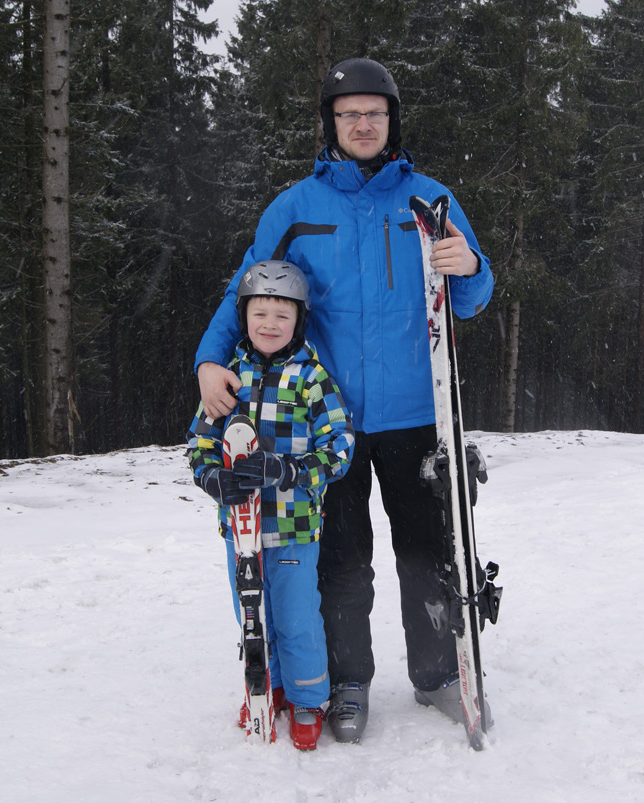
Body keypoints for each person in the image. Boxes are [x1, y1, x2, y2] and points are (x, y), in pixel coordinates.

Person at [193, 57, 494, 743]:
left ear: (392, 121)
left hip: (418, 414)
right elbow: (248, 289)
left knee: (427, 554)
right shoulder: (296, 209)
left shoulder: (430, 201)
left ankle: (438, 675)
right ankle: (347, 680)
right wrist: (210, 360)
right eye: (349, 114)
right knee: (341, 559)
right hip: (325, 422)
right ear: (330, 123)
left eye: (374, 113)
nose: (362, 124)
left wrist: (472, 267)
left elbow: (471, 299)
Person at [188, 260, 355, 750]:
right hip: (240, 530)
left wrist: (288, 470)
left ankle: (308, 699)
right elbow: (200, 442)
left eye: (282, 315)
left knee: (296, 618)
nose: (269, 324)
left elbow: (340, 447)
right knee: (253, 616)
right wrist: (212, 476)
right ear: (243, 317)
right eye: (259, 313)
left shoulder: (311, 378)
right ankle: (268, 686)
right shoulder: (228, 377)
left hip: (294, 527)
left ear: (299, 321)